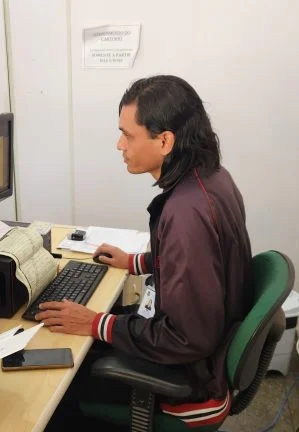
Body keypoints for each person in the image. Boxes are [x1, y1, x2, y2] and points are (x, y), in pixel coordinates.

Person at [37, 75, 253, 429]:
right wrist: (135, 262)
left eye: (128, 134)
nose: (119, 144)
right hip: (205, 358)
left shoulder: (186, 215)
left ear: (165, 140)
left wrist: (95, 322)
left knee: (57, 387)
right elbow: (205, 263)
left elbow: (185, 338)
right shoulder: (212, 178)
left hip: (188, 386)